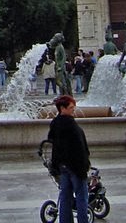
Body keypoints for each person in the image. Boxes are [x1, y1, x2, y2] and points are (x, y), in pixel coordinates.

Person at [45, 94, 90, 223]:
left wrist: (56, 165)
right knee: (81, 198)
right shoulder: (71, 125)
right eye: (71, 107)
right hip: (76, 167)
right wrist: (84, 166)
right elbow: (80, 148)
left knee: (65, 197)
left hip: (62, 166)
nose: (73, 110)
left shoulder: (55, 124)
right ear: (62, 108)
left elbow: (52, 143)